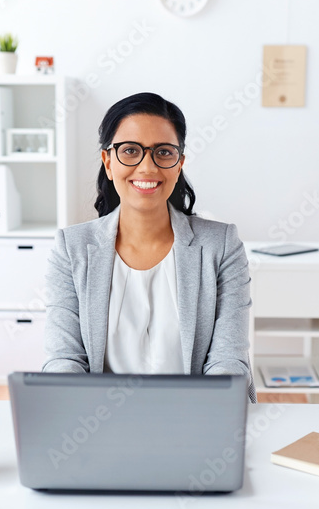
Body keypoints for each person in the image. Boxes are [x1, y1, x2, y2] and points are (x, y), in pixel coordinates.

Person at [42, 91, 256, 402]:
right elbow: (64, 359)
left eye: (163, 152)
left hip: (195, 418)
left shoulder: (221, 246)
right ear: (108, 161)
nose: (147, 167)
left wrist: (210, 417)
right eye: (130, 151)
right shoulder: (71, 248)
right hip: (97, 423)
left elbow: (228, 360)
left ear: (179, 163)